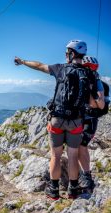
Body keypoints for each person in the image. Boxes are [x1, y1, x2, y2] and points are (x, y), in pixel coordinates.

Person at [14, 40, 101, 200]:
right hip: (76, 122)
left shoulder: (60, 68)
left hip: (56, 120)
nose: (65, 55)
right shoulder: (88, 74)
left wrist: (23, 62)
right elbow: (94, 101)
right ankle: (73, 190)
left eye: (67, 52)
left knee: (56, 155)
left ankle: (53, 191)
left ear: (72, 54)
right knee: (73, 156)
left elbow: (39, 66)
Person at [79, 55, 109, 196]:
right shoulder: (84, 81)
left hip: (89, 119)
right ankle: (81, 176)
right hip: (81, 119)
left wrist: (90, 91)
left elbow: (99, 105)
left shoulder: (97, 84)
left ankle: (86, 177)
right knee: (75, 146)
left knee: (81, 146)